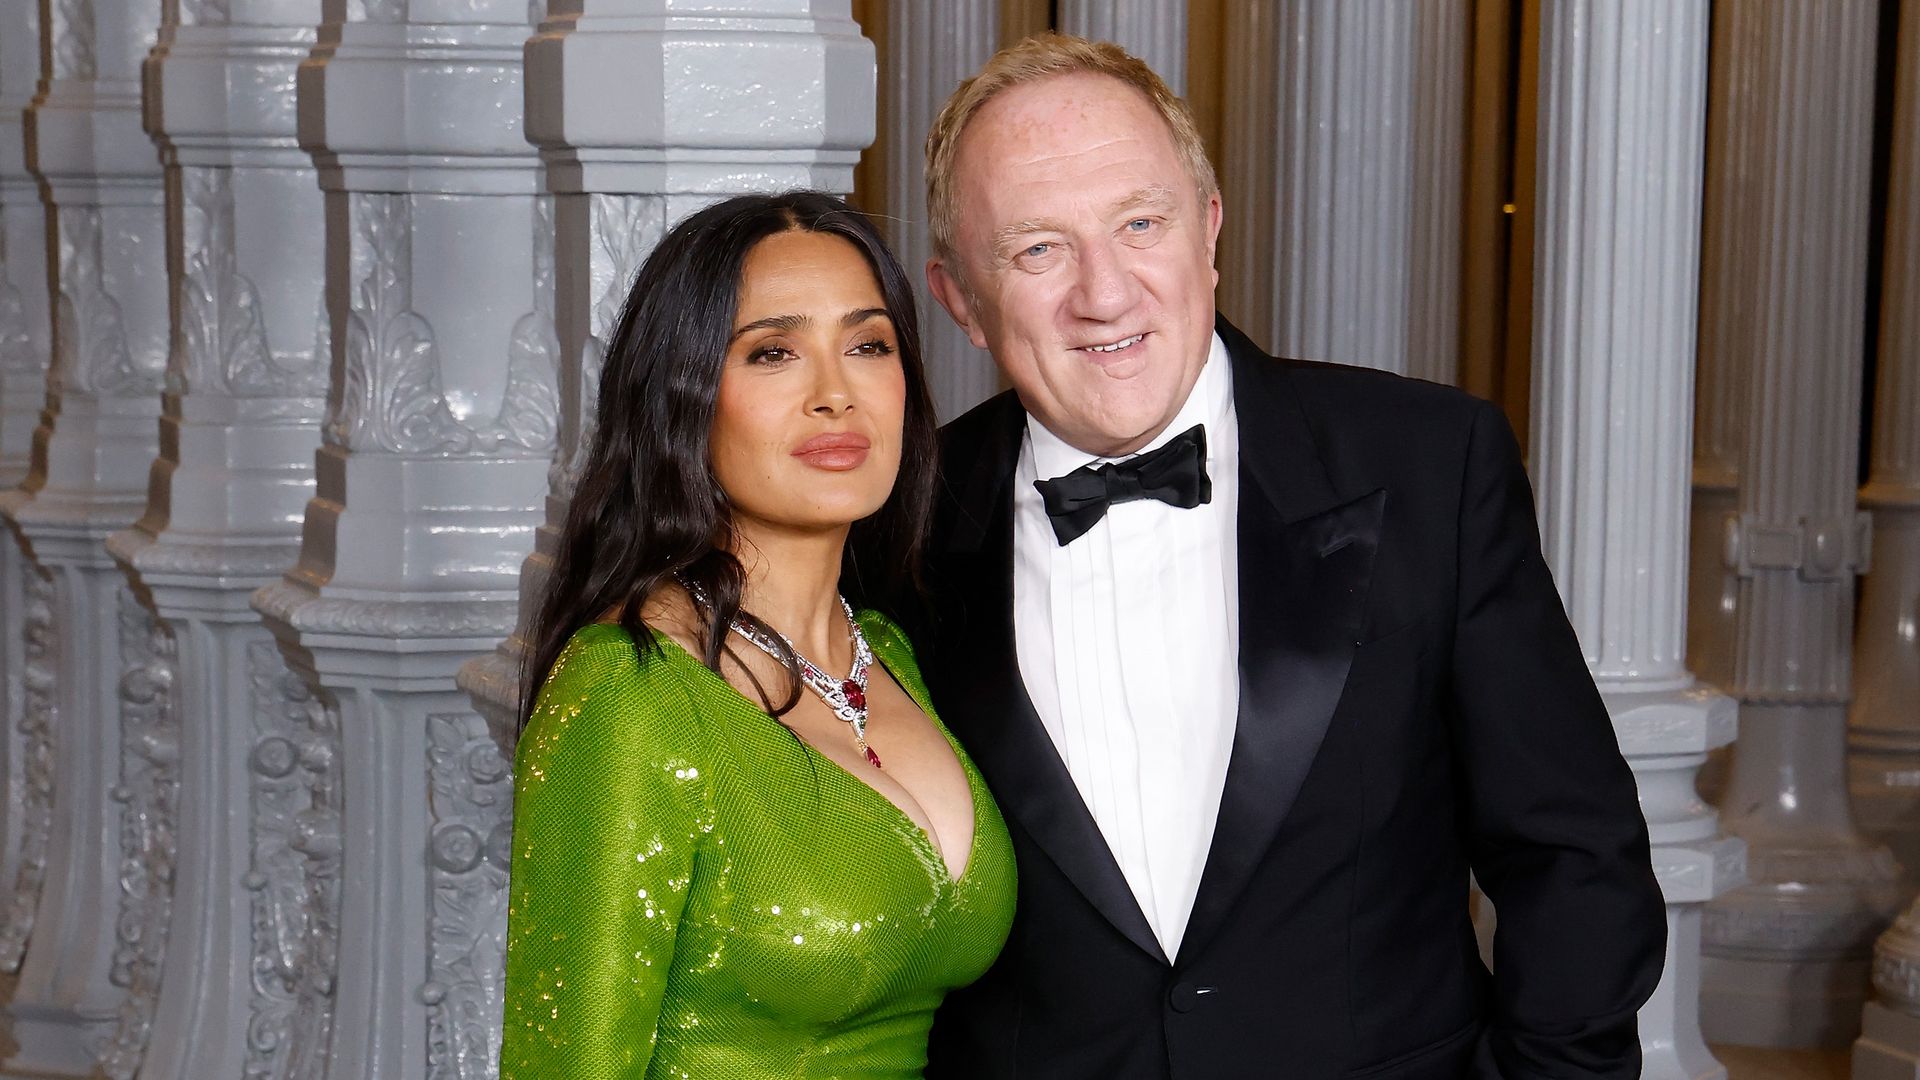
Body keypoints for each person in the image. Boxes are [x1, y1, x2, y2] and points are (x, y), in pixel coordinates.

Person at [913, 34, 1666, 1080]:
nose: (1105, 293)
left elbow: (1573, 855)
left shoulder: (1430, 464)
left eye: (1141, 223)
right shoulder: (895, 529)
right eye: (1038, 249)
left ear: (1209, 228)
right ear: (961, 298)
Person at [499, 191, 1016, 1078]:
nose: (835, 395)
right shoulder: (630, 688)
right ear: (684, 396)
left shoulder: (887, 651)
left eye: (868, 346)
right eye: (773, 352)